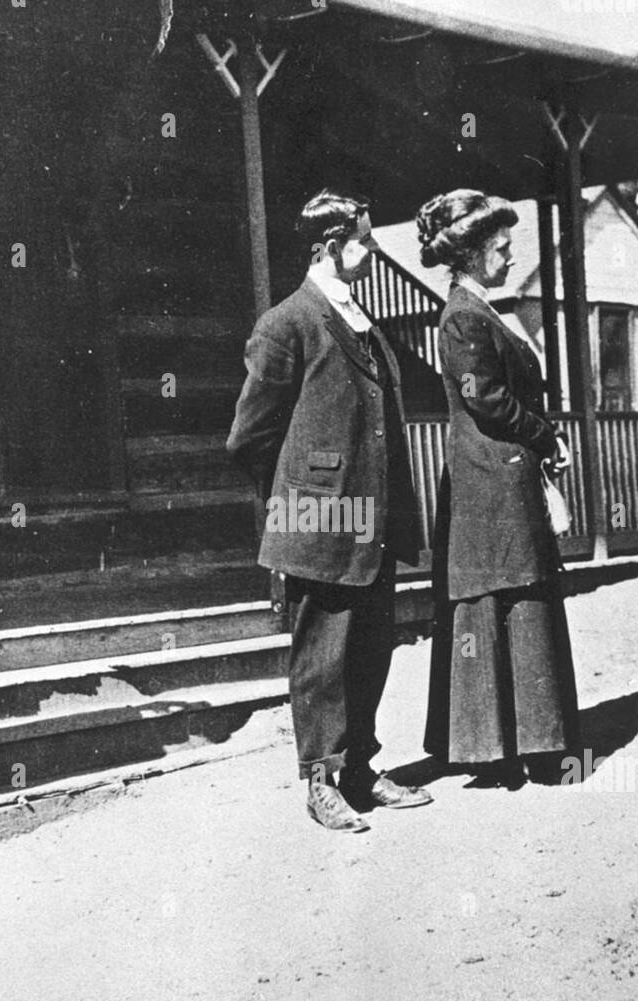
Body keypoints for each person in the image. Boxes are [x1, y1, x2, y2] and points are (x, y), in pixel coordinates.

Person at [227, 189, 432, 832]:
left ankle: (361, 770)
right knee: (322, 654)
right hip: (318, 518)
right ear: (328, 246)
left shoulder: (361, 319)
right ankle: (320, 782)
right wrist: (299, 502)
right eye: (363, 240)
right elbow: (249, 438)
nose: (371, 251)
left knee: (372, 643)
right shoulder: (286, 323)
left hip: (372, 514)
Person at [418, 190, 579, 786]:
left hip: (501, 477)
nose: (511, 257)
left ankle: (524, 743)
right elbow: (481, 396)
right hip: (489, 482)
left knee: (516, 594)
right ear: (474, 254)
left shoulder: (482, 309)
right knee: (502, 595)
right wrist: (544, 436)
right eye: (502, 249)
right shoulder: (462, 316)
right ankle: (505, 747)